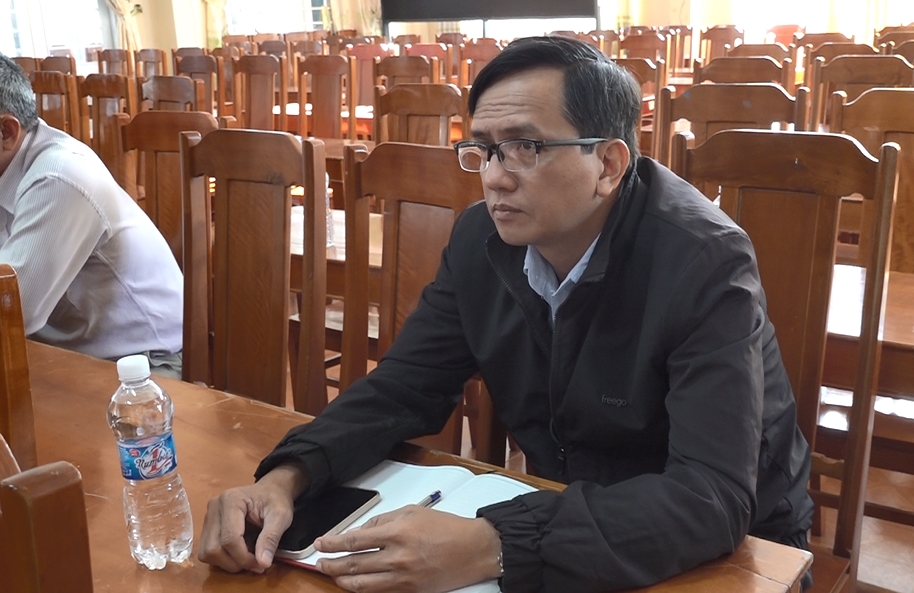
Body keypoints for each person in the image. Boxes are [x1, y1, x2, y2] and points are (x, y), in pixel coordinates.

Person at [199, 36, 813, 592]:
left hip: (732, 551)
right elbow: (404, 386)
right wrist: (288, 475)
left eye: (525, 148)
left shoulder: (702, 260)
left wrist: (495, 544)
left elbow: (710, 497)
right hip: (568, 522)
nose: (494, 178)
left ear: (608, 164)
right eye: (485, 150)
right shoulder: (481, 241)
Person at [0, 54, 183, 377]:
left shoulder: (56, 176)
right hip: (70, 355)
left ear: (6, 131)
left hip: (142, 365)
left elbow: (9, 313)